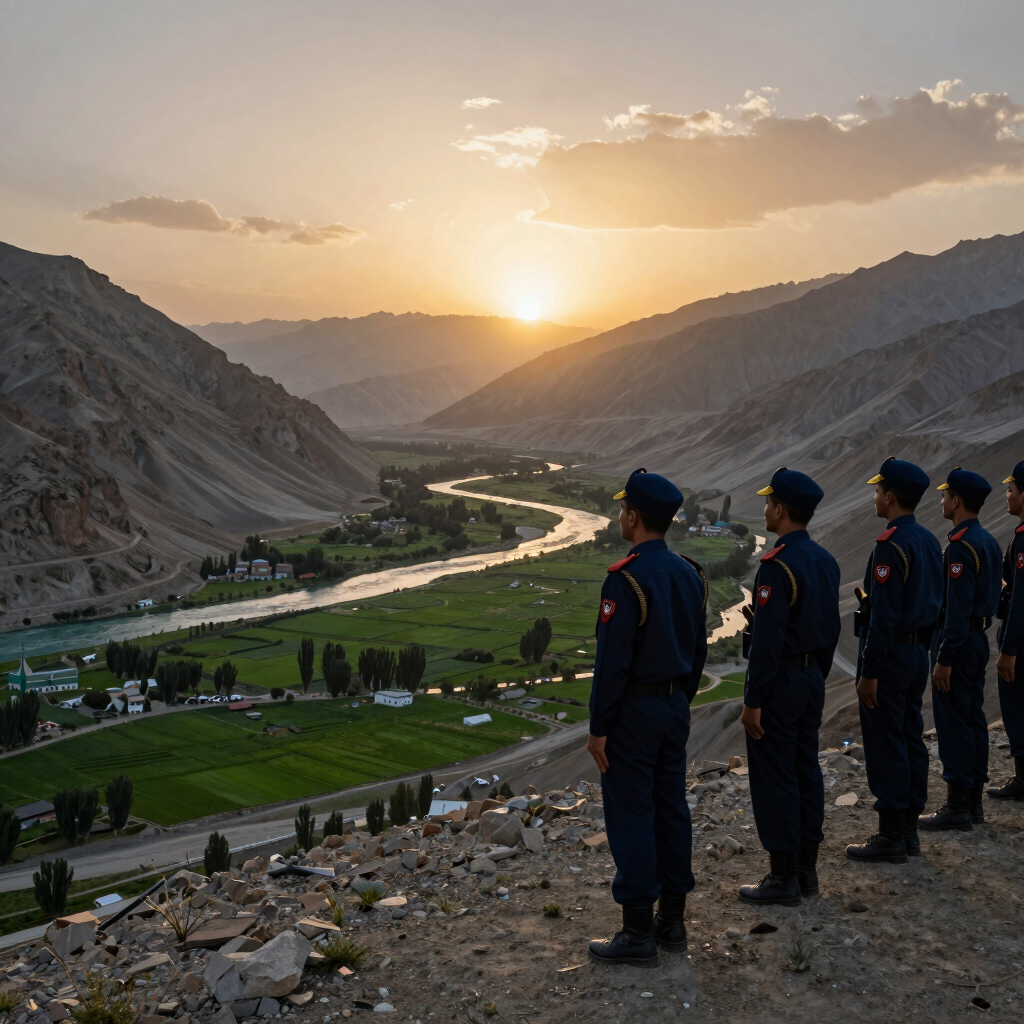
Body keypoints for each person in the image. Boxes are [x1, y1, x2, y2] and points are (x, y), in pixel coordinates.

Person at [586, 468, 708, 968]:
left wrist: (598, 728)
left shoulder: (626, 578)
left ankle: (637, 931)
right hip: (674, 705)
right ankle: (672, 923)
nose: (620, 515)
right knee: (670, 806)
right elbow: (698, 651)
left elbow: (611, 664)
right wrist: (679, 697)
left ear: (633, 516)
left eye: (622, 509)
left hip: (633, 713)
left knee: (632, 812)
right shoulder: (691, 574)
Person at [738, 467, 840, 907]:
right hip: (812, 678)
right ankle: (806, 872)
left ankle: (781, 879)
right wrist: (814, 673)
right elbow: (830, 629)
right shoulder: (825, 560)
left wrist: (753, 700)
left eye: (767, 502)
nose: (764, 508)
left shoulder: (775, 566)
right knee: (805, 768)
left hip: (779, 683)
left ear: (780, 509)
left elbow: (767, 643)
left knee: (775, 775)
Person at [847, 458, 943, 863]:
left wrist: (868, 672)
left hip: (890, 658)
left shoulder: (890, 546)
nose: (874, 496)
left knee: (887, 742)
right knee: (909, 737)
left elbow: (883, 619)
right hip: (918, 653)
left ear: (889, 496)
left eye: (877, 490)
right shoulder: (928, 541)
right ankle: (908, 833)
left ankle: (890, 837)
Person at [920, 468, 1002, 831]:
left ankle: (957, 807)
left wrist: (944, 658)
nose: (941, 501)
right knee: (973, 720)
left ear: (957, 500)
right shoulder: (987, 540)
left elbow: (956, 609)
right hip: (978, 639)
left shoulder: (960, 546)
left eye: (945, 495)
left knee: (954, 724)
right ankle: (974, 804)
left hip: (958, 641)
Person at [989, 460, 1024, 802]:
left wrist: (1009, 649)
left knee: (1017, 709)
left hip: (1021, 644)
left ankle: (1023, 779)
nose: (1007, 496)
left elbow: (1020, 600)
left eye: (1011, 490)